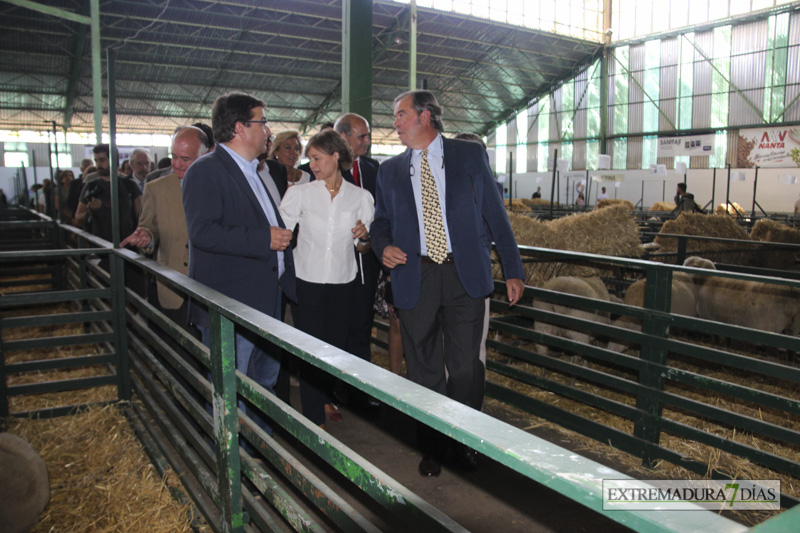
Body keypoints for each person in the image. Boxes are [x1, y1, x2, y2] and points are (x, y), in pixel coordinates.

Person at [370, 90, 525, 476]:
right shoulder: (389, 171)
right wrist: (383, 246)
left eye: (401, 115)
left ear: (425, 117)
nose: (396, 123)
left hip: (463, 273)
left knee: (465, 367)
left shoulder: (468, 156)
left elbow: (495, 213)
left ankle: (465, 440)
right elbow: (380, 223)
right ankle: (433, 446)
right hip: (414, 273)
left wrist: (513, 268)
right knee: (423, 369)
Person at [183, 92, 296, 437]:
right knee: (232, 390)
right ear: (240, 128)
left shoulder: (253, 172)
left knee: (262, 383)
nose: (269, 131)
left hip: (265, 300)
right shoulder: (206, 171)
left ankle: (258, 457)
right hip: (232, 306)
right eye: (263, 122)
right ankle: (232, 471)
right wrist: (264, 238)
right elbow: (203, 233)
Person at [279, 129, 374, 429]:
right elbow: (280, 234)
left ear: (336, 156)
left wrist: (364, 238)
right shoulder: (300, 194)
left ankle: (325, 398)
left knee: (333, 350)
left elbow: (364, 247)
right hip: (306, 283)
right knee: (309, 353)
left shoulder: (361, 197)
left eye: (318, 158)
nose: (313, 165)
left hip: (343, 284)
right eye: (311, 159)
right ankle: (313, 420)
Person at [120, 126, 211, 323]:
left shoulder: (219, 186)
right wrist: (146, 237)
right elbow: (148, 227)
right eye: (173, 156)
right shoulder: (156, 189)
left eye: (185, 159)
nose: (177, 164)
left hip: (212, 289)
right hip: (174, 286)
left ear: (205, 155)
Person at [333, 113, 382, 382]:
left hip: (368, 264)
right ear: (343, 137)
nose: (367, 141)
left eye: (367, 135)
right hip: (335, 264)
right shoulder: (322, 168)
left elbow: (383, 214)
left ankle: (360, 388)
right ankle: (335, 386)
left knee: (363, 325)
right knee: (337, 325)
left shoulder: (375, 169)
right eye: (361, 136)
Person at [74, 144, 141, 245]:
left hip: (127, 245)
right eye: (96, 161)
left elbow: (140, 215)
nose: (98, 164)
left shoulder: (130, 185)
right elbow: (78, 216)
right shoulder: (91, 186)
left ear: (114, 160)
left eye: (102, 160)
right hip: (99, 245)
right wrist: (90, 211)